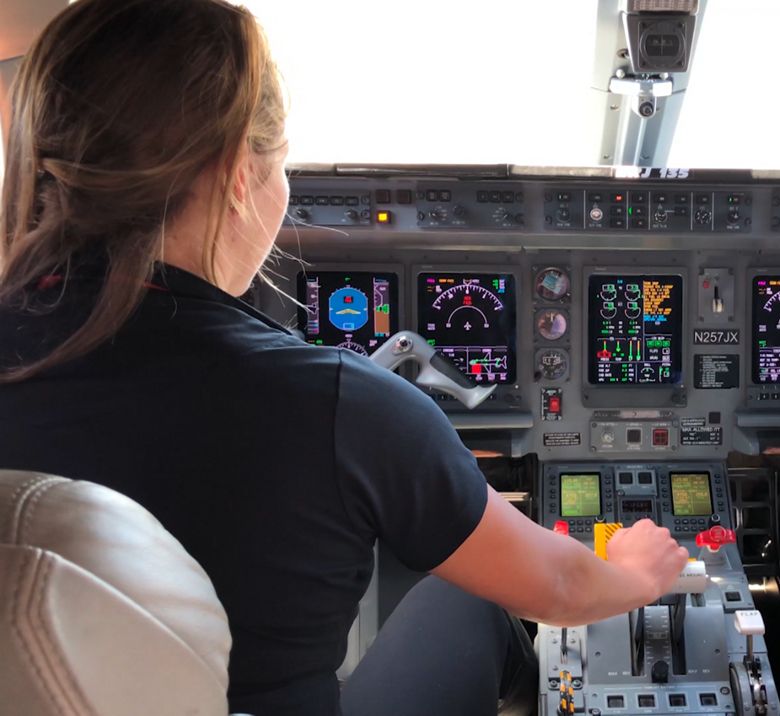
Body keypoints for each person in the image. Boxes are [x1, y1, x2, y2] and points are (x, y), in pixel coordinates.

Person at [0, 1, 689, 714]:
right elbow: (564, 588)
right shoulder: (339, 403)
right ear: (240, 172)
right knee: (474, 596)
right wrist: (635, 575)